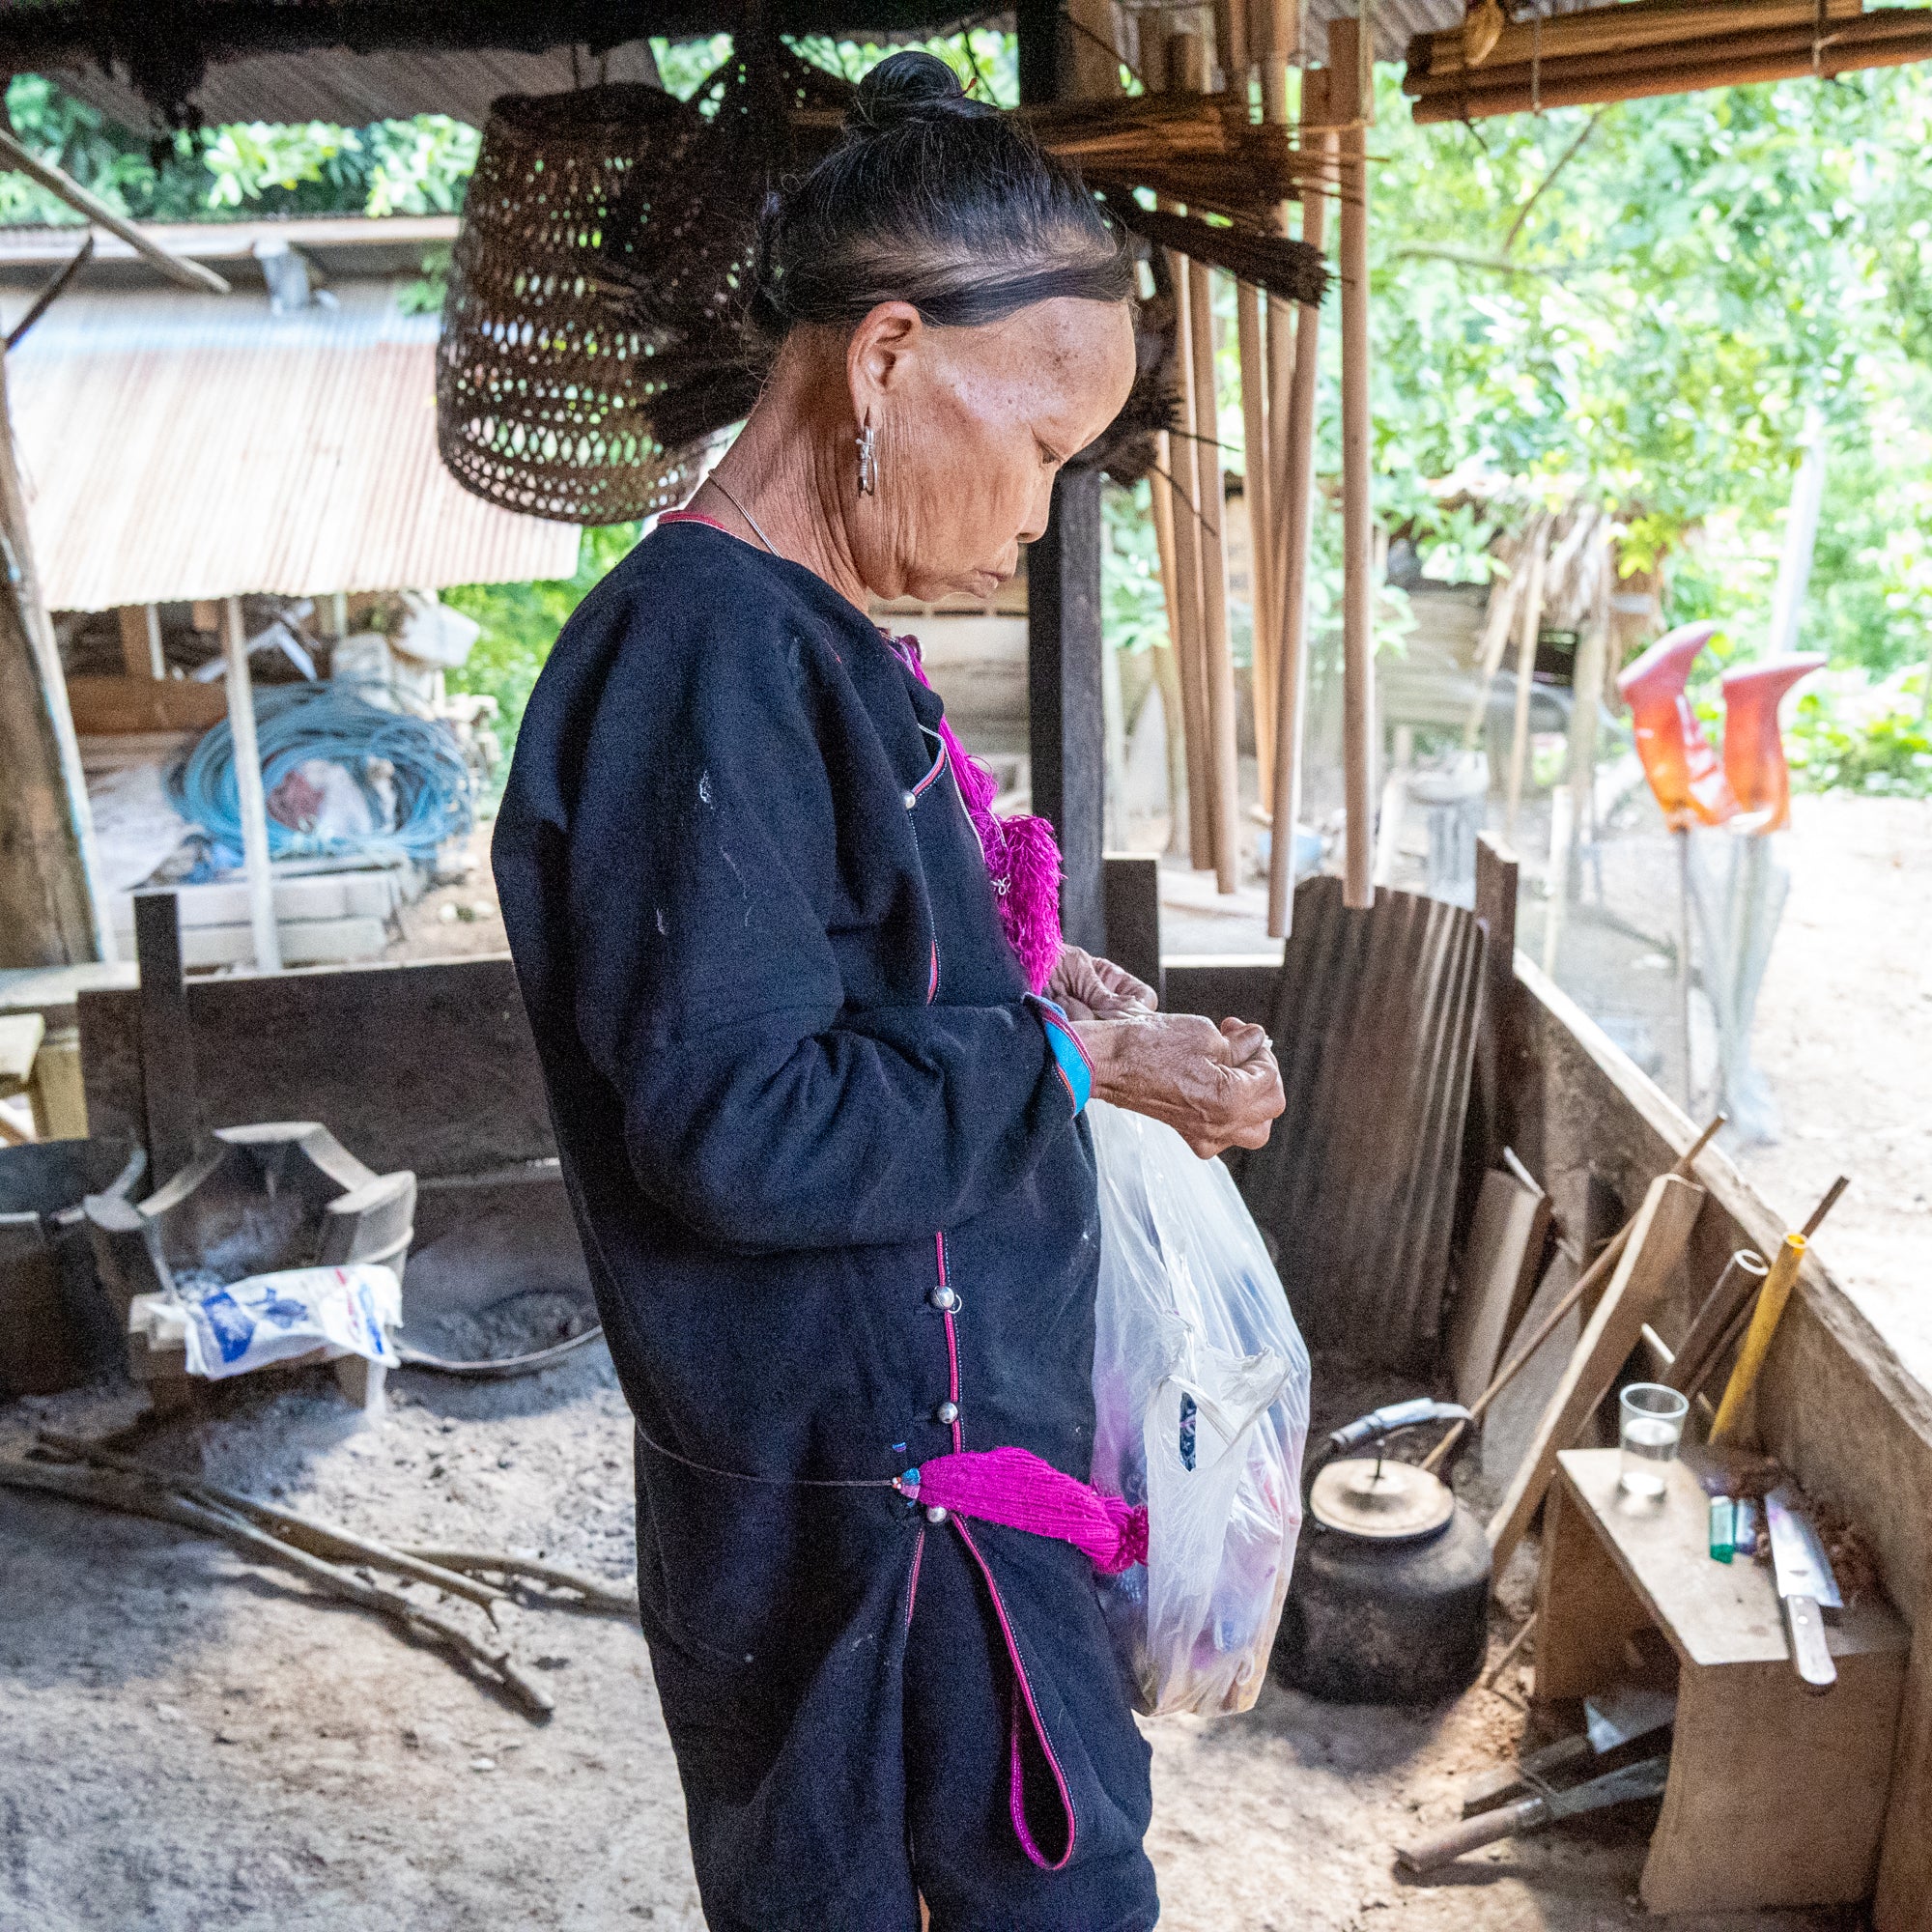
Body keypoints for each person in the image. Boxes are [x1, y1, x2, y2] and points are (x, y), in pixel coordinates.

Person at [494, 49, 1286, 1932]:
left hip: (924, 1503)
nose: (1029, 515)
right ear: (885, 360)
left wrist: (1025, 975)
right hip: (883, 1553)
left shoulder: (791, 646)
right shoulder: (710, 657)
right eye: (1032, 451)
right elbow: (738, 1122)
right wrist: (1083, 1063)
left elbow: (829, 995)